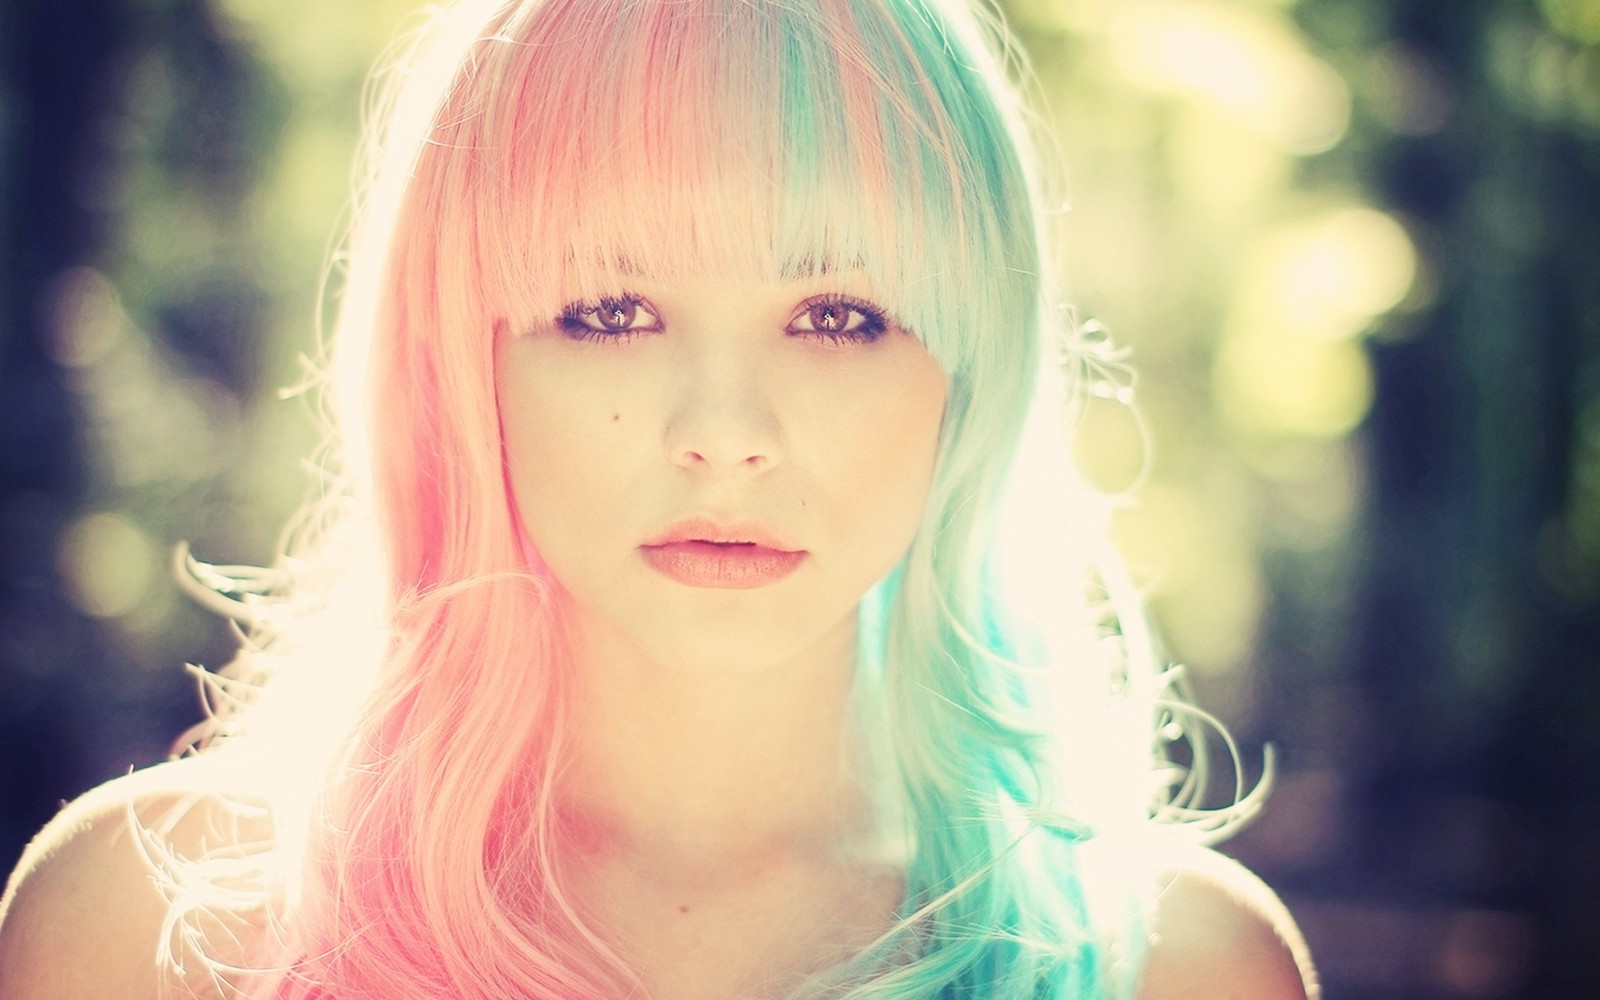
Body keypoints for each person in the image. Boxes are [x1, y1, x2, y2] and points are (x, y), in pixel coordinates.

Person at [0, 0, 1319, 997]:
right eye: (612, 310)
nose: (724, 434)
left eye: (839, 313)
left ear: (971, 373)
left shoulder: (1176, 965)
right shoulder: (149, 934)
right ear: (466, 361)